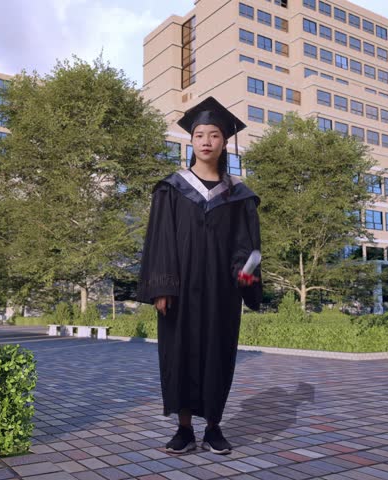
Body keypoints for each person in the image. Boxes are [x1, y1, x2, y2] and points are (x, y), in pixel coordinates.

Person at [137, 96, 262, 455]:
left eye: (214, 135)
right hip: (180, 289)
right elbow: (161, 239)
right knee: (181, 354)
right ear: (190, 142)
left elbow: (248, 248)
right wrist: (162, 286)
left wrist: (246, 277)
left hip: (222, 292)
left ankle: (214, 428)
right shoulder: (171, 189)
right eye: (199, 135)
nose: (206, 141)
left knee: (217, 354)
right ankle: (183, 429)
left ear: (225, 143)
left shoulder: (239, 195)